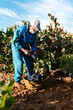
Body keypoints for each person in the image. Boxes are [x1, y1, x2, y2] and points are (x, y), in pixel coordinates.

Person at [11, 19, 41, 89]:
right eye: (34, 29)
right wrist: (24, 50)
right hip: (16, 47)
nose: (35, 31)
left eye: (36, 30)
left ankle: (31, 77)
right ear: (30, 25)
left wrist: (34, 50)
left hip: (25, 46)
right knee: (19, 64)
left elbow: (33, 42)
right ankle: (17, 81)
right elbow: (15, 42)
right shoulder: (21, 30)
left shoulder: (35, 33)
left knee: (29, 61)